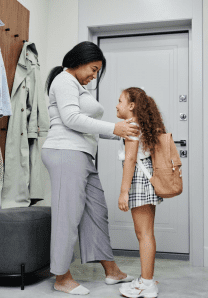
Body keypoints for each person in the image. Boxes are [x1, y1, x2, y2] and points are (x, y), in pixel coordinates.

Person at [41, 41, 139, 295]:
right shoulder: (63, 81)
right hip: (65, 152)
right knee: (68, 217)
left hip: (82, 154)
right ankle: (61, 276)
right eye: (93, 69)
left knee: (96, 212)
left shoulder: (75, 86)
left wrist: (119, 133)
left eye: (97, 72)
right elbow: (71, 119)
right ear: (80, 60)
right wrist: (114, 128)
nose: (94, 76)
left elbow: (86, 125)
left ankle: (111, 271)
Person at [116, 87, 165, 298]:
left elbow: (130, 160)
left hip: (139, 181)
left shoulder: (133, 126)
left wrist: (123, 192)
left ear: (131, 106)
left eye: (120, 101)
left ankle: (146, 283)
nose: (117, 105)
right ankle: (147, 279)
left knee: (144, 233)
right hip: (146, 181)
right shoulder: (138, 125)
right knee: (145, 233)